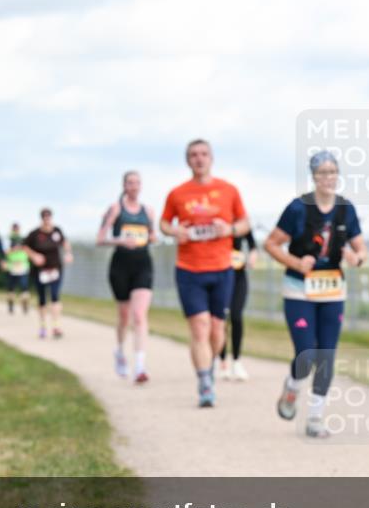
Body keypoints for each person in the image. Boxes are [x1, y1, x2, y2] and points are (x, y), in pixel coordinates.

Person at [264, 151, 367, 438]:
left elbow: (361, 250)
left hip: (333, 290)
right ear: (313, 176)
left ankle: (315, 418)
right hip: (299, 291)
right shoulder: (298, 208)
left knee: (326, 355)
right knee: (306, 353)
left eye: (333, 171)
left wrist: (355, 258)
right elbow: (271, 244)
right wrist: (296, 263)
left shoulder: (346, 209)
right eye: (322, 172)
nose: (328, 178)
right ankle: (293, 387)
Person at [160, 139, 251, 407]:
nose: (199, 159)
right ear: (188, 161)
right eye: (193, 155)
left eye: (203, 154)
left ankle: (209, 365)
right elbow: (164, 223)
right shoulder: (177, 193)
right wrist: (174, 231)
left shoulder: (228, 190)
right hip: (190, 269)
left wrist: (230, 230)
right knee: (199, 328)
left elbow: (244, 223)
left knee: (216, 329)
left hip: (222, 268)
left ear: (211, 158)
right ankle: (204, 383)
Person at [97, 171, 157, 383]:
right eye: (130, 183)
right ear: (124, 185)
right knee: (124, 316)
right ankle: (120, 352)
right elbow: (100, 238)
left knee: (139, 315)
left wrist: (150, 237)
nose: (134, 186)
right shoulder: (115, 209)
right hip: (120, 266)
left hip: (143, 264)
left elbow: (153, 236)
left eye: (137, 183)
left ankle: (140, 366)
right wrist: (121, 241)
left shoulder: (148, 211)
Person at [24, 209, 73, 339]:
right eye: (44, 217)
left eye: (49, 216)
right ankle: (42, 326)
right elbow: (24, 247)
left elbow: (65, 242)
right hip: (40, 271)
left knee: (55, 296)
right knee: (42, 299)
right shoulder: (34, 234)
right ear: (41, 218)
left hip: (56, 269)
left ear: (51, 217)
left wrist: (68, 253)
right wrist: (34, 256)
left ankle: (56, 326)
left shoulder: (57, 231)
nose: (47, 219)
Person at [219, 229, 258, 381]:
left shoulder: (242, 223)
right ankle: (222, 361)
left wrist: (253, 256)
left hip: (238, 276)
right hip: (220, 275)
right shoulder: (217, 219)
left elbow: (253, 245)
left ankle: (236, 361)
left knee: (236, 316)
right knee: (220, 319)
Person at [4, 224, 30, 315]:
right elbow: (5, 251)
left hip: (23, 266)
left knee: (24, 287)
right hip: (12, 266)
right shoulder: (8, 239)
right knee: (11, 289)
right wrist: (13, 249)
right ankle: (11, 305)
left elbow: (27, 250)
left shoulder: (23, 239)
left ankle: (25, 304)